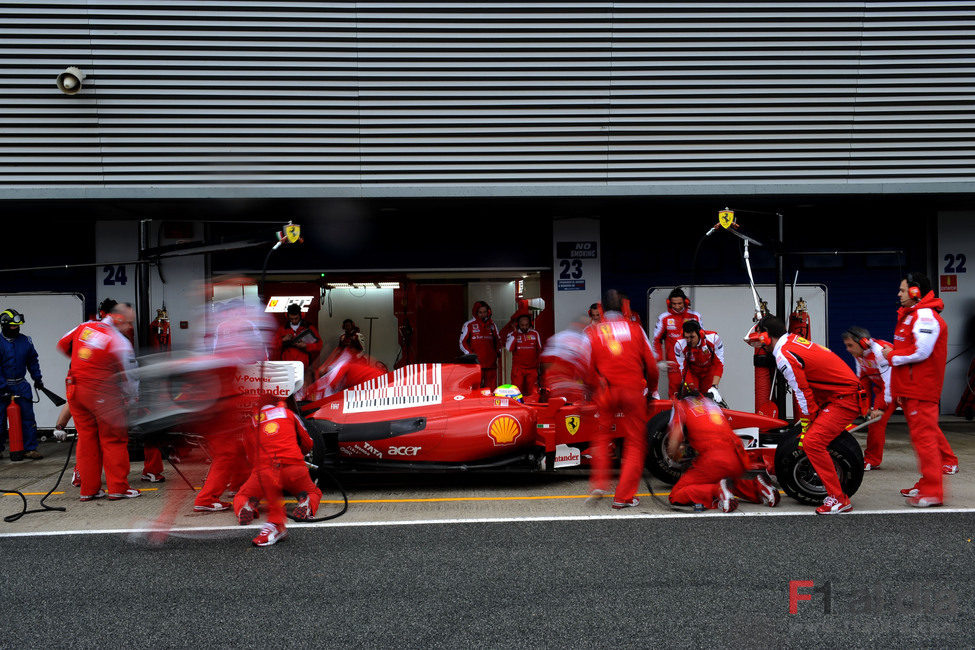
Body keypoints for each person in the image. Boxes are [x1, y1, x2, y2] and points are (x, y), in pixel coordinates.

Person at [747, 316, 863, 515]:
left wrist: (807, 422)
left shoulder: (784, 354)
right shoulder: (792, 341)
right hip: (839, 395)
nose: (758, 344)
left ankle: (839, 499)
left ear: (766, 336)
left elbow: (801, 391)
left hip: (844, 399)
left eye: (759, 338)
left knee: (811, 442)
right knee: (809, 437)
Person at [883, 272, 959, 507]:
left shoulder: (925, 316)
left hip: (921, 391)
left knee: (925, 442)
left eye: (903, 290)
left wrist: (892, 356)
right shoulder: (913, 315)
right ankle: (927, 483)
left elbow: (922, 352)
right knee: (922, 441)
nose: (899, 294)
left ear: (916, 292)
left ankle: (933, 492)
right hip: (911, 390)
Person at [56, 304, 140, 500]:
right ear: (118, 319)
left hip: (76, 391)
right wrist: (132, 400)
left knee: (87, 440)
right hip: (103, 394)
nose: (130, 328)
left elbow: (62, 344)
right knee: (114, 440)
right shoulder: (120, 341)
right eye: (129, 323)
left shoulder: (83, 327)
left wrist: (84, 360)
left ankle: (88, 490)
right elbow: (131, 378)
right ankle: (118, 488)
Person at [585, 290, 659, 509]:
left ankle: (599, 483)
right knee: (635, 443)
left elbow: (587, 366)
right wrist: (652, 391)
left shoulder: (594, 331)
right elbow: (652, 366)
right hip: (632, 390)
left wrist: (594, 389)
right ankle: (623, 497)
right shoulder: (635, 329)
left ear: (602, 308)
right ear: (624, 306)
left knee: (600, 436)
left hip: (606, 391)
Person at [666, 391, 780, 511]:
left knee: (676, 495)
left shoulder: (680, 405)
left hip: (714, 459)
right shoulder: (710, 403)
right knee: (723, 482)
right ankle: (757, 488)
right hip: (738, 457)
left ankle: (717, 491)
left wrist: (675, 454)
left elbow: (674, 444)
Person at [234, 397, 322, 547]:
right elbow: (308, 442)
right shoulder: (288, 413)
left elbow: (249, 455)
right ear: (278, 403)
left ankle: (248, 504)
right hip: (294, 467)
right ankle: (306, 502)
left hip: (265, 472)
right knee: (314, 492)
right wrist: (300, 455)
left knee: (242, 495)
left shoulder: (252, 422)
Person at [841, 326, 894, 471]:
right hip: (883, 389)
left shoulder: (880, 352)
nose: (848, 349)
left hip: (900, 388)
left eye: (850, 345)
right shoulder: (859, 355)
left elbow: (889, 381)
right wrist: (864, 406)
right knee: (874, 422)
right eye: (846, 346)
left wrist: (880, 408)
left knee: (922, 426)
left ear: (863, 343)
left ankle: (948, 460)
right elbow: (862, 380)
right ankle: (872, 460)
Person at [0, 309, 45, 460]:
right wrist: (2, 386)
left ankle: (29, 449)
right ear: (4, 325)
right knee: (0, 420)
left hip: (21, 385)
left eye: (17, 326)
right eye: (13, 326)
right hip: (2, 387)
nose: (16, 328)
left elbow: (33, 360)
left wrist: (37, 378)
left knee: (28, 418)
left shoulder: (26, 341)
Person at [652, 288, 703, 398]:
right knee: (674, 397)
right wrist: (659, 360)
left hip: (692, 364)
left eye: (679, 303)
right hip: (674, 366)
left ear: (685, 302)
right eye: (674, 304)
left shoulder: (695, 316)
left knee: (695, 395)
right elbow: (656, 340)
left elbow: (702, 339)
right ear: (669, 303)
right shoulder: (664, 318)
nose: (677, 306)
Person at [540, 316, 592, 404]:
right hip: (567, 387)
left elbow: (545, 362)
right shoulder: (585, 341)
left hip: (559, 386)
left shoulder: (559, 337)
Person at [672, 320, 724, 396]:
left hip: (709, 372)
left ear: (700, 334)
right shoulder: (679, 345)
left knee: (709, 397)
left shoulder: (713, 339)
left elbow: (719, 364)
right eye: (686, 337)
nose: (689, 340)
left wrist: (714, 386)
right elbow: (683, 368)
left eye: (692, 337)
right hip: (692, 373)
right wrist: (691, 386)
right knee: (692, 397)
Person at [459, 301, 501, 389]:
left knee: (491, 389)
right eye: (480, 312)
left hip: (491, 363)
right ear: (476, 312)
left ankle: (489, 403)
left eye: (484, 312)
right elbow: (462, 342)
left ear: (488, 312)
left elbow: (498, 341)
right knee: (475, 388)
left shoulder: (492, 325)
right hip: (476, 364)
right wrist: (470, 355)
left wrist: (497, 353)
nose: (483, 314)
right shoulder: (469, 325)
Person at [275, 304, 323, 372]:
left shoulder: (309, 327)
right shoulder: (282, 329)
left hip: (304, 367)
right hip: (287, 366)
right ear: (287, 316)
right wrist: (283, 340)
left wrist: (306, 346)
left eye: (296, 318)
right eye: (291, 319)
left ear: (301, 315)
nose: (294, 321)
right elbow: (274, 345)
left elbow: (319, 345)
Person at [506, 313, 542, 398]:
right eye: (522, 325)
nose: (524, 327)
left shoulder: (535, 333)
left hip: (532, 369)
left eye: (526, 325)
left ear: (530, 324)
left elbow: (540, 350)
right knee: (516, 393)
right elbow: (509, 348)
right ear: (517, 325)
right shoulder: (512, 334)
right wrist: (515, 333)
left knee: (533, 393)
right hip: (518, 369)